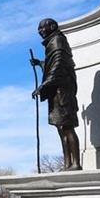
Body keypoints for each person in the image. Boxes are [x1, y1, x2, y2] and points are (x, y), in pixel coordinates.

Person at [30, 18, 82, 171]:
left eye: (42, 28)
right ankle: (67, 164)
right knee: (61, 128)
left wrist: (43, 86)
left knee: (68, 127)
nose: (40, 31)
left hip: (63, 93)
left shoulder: (58, 40)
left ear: (52, 27)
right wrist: (40, 63)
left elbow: (58, 67)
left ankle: (76, 163)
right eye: (38, 29)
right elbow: (52, 64)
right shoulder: (52, 42)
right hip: (57, 93)